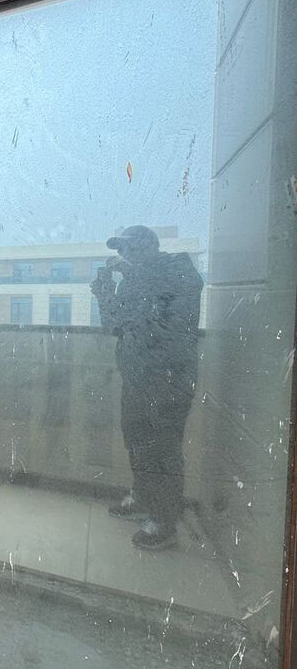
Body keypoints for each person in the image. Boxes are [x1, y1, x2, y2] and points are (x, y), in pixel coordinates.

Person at [91, 226, 203, 550]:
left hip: (168, 380)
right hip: (136, 377)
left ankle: (164, 523)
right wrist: (104, 292)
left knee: (163, 450)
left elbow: (160, 318)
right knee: (137, 442)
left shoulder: (178, 269)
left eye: (131, 247)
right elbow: (114, 325)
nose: (124, 254)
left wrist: (129, 277)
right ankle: (143, 499)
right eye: (122, 249)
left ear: (151, 246)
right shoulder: (133, 280)